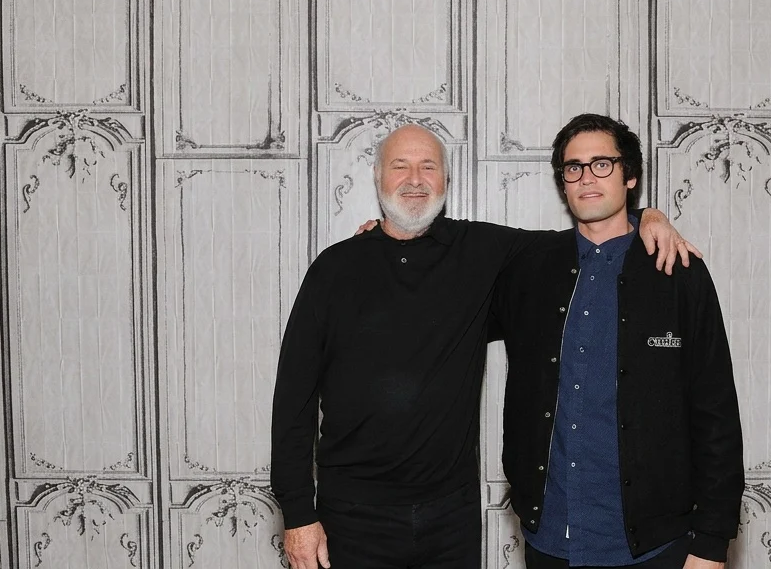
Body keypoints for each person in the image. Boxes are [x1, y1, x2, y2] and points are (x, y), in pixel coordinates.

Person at [271, 124, 699, 569]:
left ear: (446, 180)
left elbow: (592, 233)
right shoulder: (335, 269)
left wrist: (648, 215)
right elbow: (292, 403)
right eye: (400, 166)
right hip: (350, 516)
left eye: (428, 166)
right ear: (378, 178)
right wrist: (299, 513)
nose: (415, 179)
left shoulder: (482, 250)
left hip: (450, 518)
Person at [489, 114, 744, 569]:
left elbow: (715, 410)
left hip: (655, 547)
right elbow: (450, 257)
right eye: (574, 167)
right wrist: (387, 235)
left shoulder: (678, 274)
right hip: (551, 541)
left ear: (630, 176)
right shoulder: (530, 269)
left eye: (602, 164)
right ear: (563, 183)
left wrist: (711, 542)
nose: (587, 177)